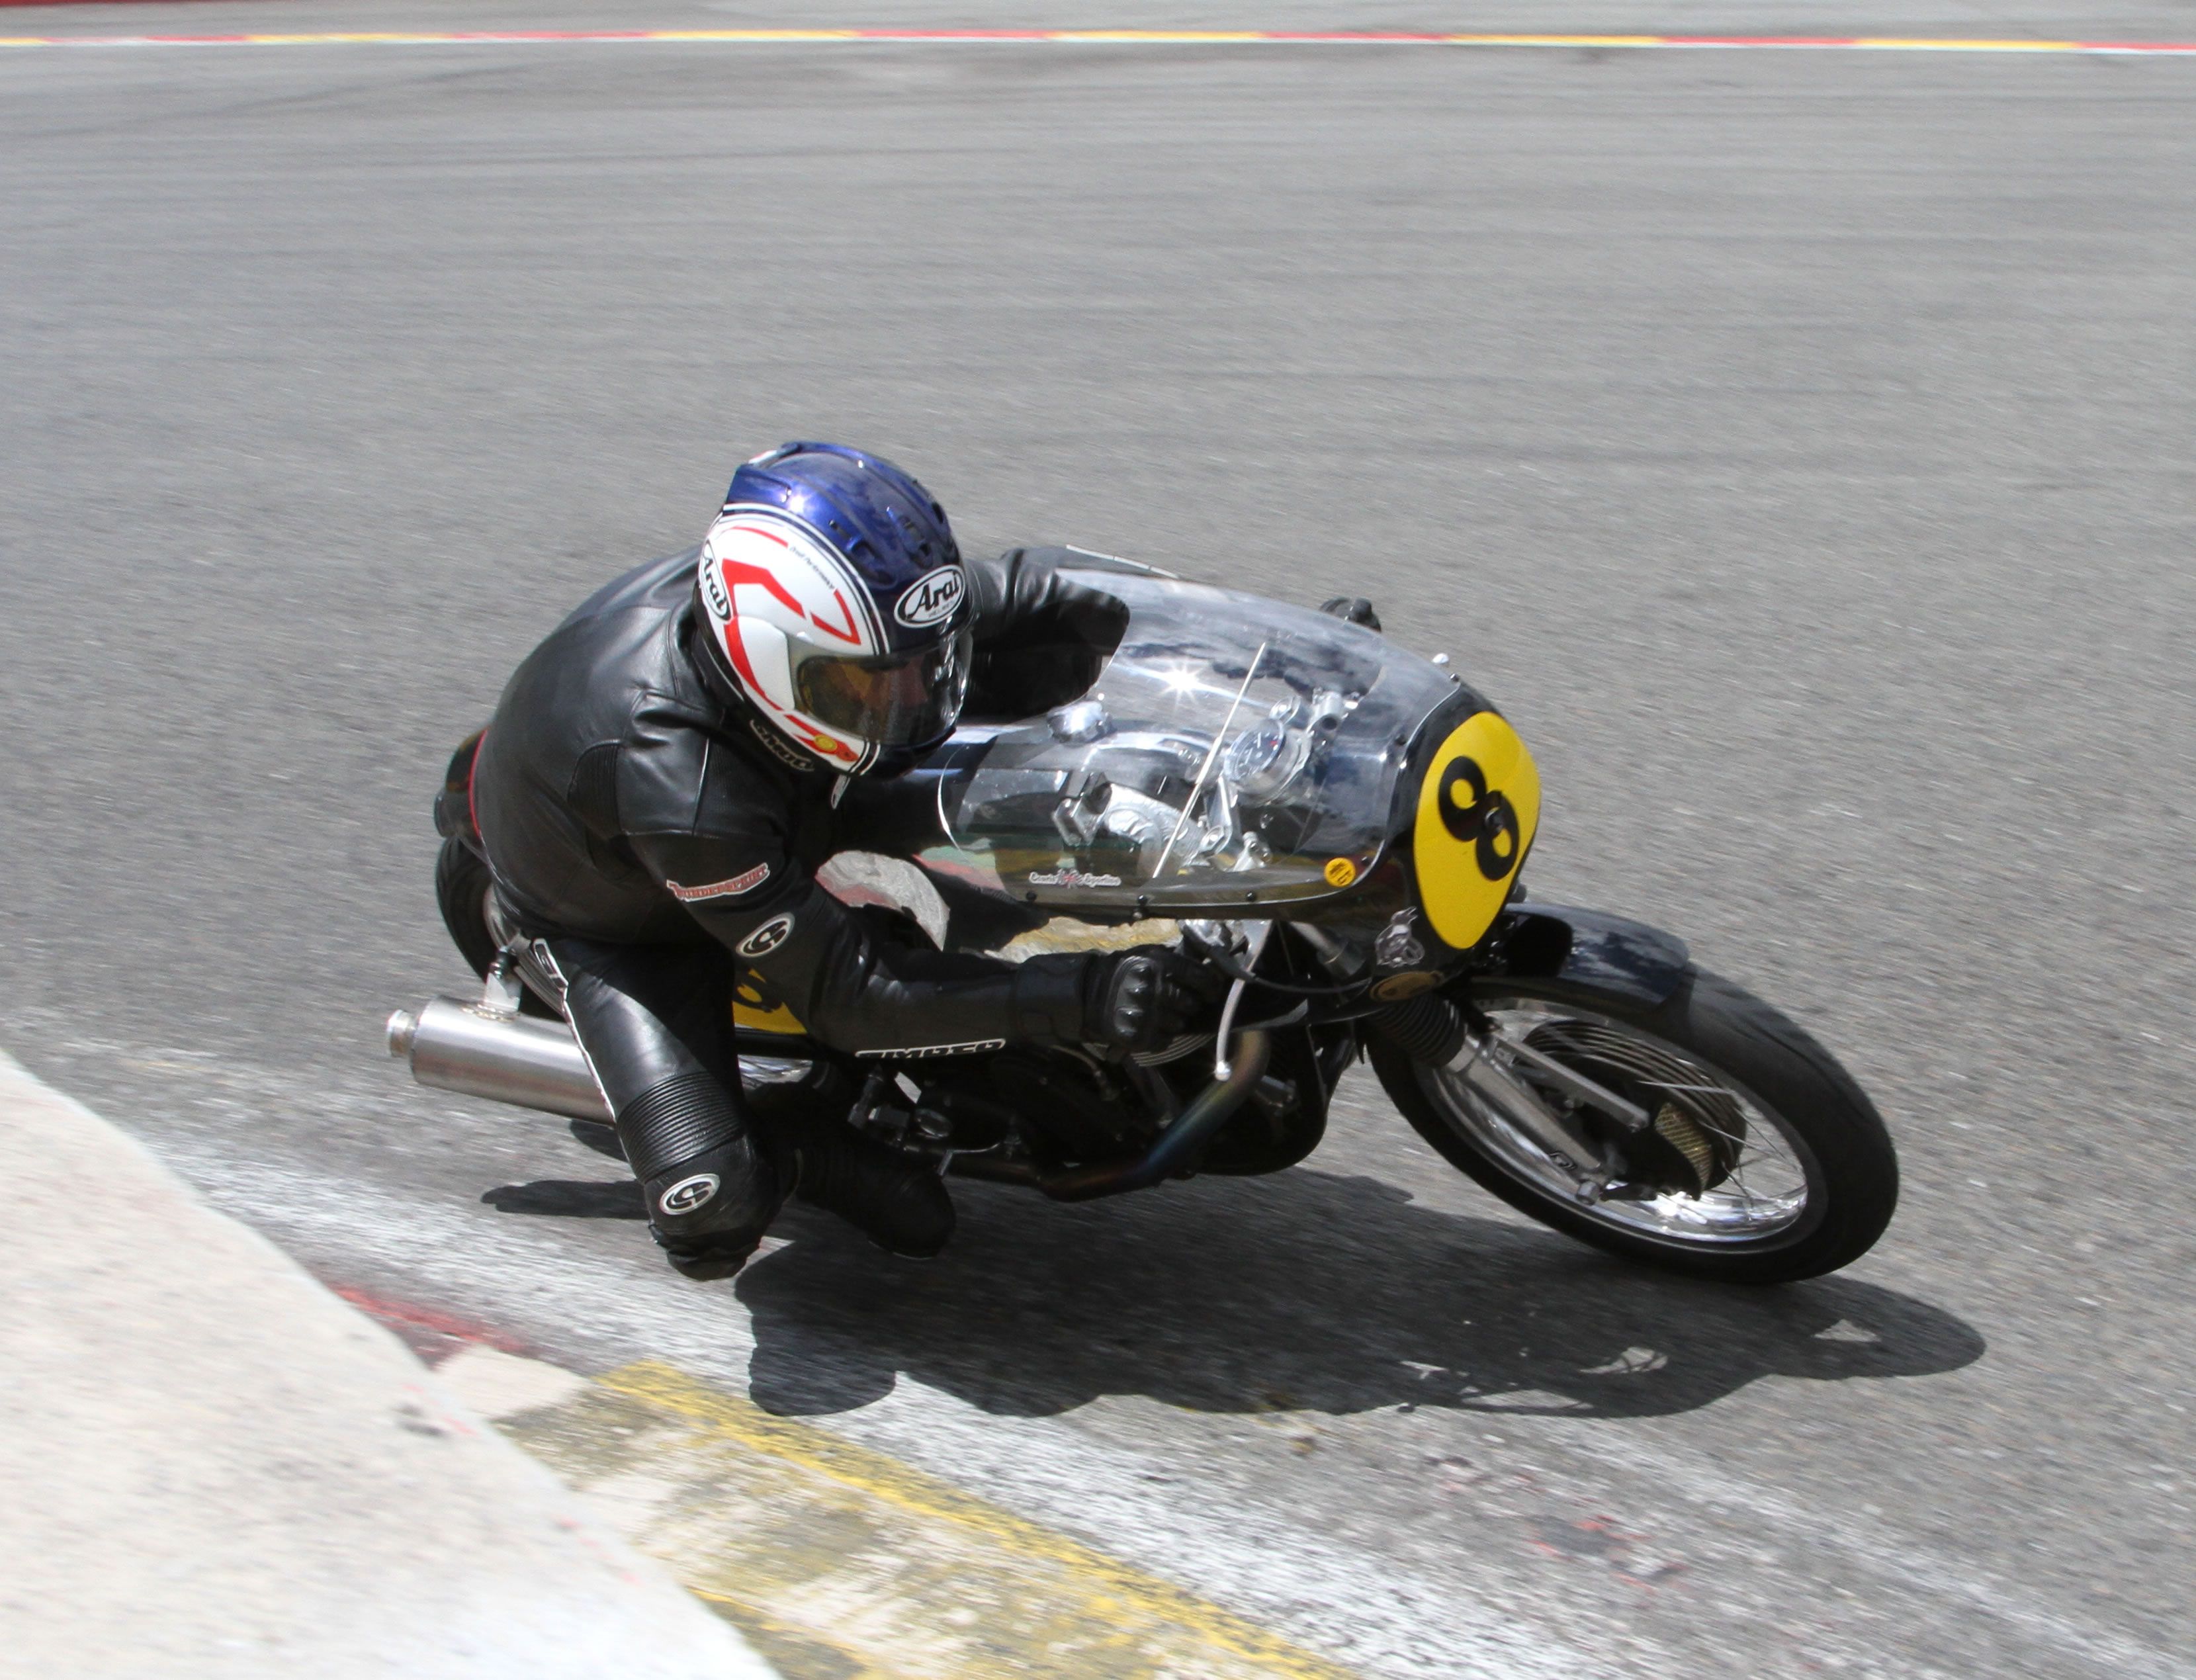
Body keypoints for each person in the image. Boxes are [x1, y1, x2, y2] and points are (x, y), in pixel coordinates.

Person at [447, 443, 1208, 1275]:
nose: (911, 700)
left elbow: (1042, 592)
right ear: (776, 665)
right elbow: (857, 994)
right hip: (633, 927)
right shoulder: (684, 789)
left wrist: (1264, 663)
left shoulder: (859, 621)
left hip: (772, 782)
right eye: (869, 687)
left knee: (1042, 659)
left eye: (924, 669)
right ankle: (799, 1145)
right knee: (711, 1212)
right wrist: (1084, 994)